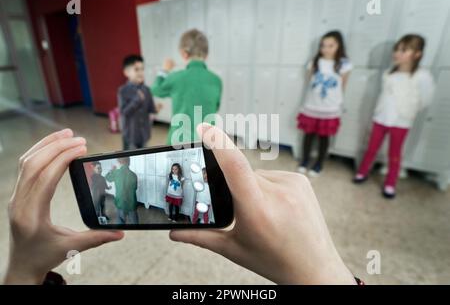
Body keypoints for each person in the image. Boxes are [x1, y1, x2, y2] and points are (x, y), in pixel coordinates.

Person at [4, 126, 358, 285]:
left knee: (139, 213)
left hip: (150, 201)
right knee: (133, 213)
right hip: (138, 202)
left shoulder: (153, 178)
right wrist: (324, 279)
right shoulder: (118, 178)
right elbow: (114, 185)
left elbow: (139, 185)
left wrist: (22, 273)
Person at [354, 34, 435, 199]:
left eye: (404, 50)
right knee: (371, 148)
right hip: (381, 118)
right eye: (397, 49)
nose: (397, 53)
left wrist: (409, 111)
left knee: (395, 154)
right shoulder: (389, 74)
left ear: (417, 54)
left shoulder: (422, 76)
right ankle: (362, 172)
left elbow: (426, 99)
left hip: (401, 121)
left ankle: (390, 183)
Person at [151, 29, 222, 145]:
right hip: (207, 142)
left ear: (184, 53)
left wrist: (164, 70)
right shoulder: (216, 80)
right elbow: (216, 107)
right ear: (206, 55)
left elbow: (155, 90)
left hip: (178, 141)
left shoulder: (176, 77)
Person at [297, 31, 353, 177]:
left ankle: (319, 164)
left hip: (330, 108)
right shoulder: (315, 62)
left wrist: (337, 103)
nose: (326, 49)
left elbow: (343, 87)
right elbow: (310, 83)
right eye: (323, 45)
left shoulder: (344, 65)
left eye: (330, 45)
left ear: (339, 46)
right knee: (308, 136)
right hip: (312, 105)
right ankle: (304, 161)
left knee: (324, 138)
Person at [119, 55, 157, 150]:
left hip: (144, 134)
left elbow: (150, 109)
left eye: (142, 69)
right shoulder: (123, 91)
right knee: (131, 158)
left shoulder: (147, 90)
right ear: (126, 72)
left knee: (144, 157)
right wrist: (137, 100)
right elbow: (124, 112)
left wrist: (156, 109)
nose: (140, 72)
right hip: (130, 135)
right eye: (136, 69)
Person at [105, 157, 139, 224]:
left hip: (120, 202)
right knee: (134, 221)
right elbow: (135, 188)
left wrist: (111, 170)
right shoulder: (134, 175)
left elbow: (107, 178)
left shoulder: (116, 172)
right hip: (131, 203)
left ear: (119, 162)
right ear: (129, 162)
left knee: (120, 220)